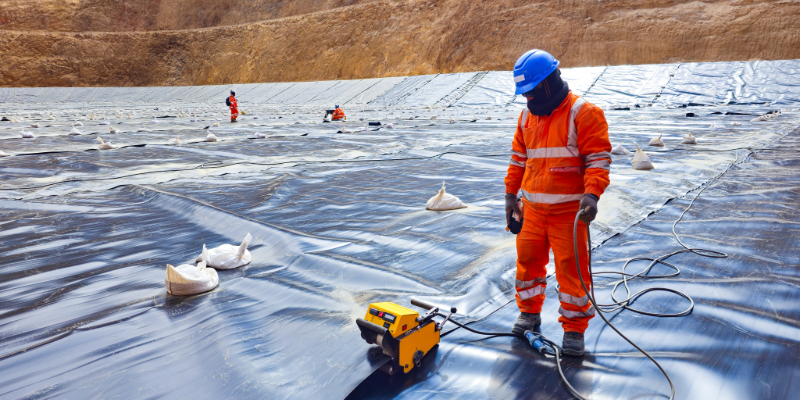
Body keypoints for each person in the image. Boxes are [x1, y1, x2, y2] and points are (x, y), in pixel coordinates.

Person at [505, 49, 611, 356]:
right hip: (533, 211)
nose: (528, 99)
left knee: (572, 272)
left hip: (569, 214)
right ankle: (529, 313)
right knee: (528, 266)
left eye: (532, 91)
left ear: (549, 83)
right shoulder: (526, 115)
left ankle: (574, 329)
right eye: (524, 94)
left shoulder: (583, 113)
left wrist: (591, 195)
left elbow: (598, 159)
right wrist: (511, 196)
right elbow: (518, 159)